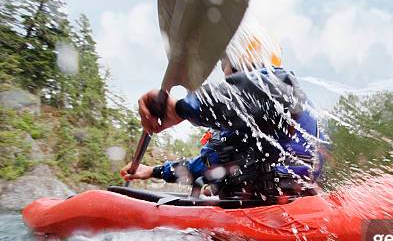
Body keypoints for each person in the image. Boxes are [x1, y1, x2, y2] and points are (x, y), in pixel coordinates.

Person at [120, 23, 325, 203]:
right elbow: (203, 166)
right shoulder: (243, 130)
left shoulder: (279, 85)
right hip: (256, 209)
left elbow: (245, 95)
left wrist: (181, 109)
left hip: (279, 210)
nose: (223, 72)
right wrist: (152, 171)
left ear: (236, 61)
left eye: (223, 63)